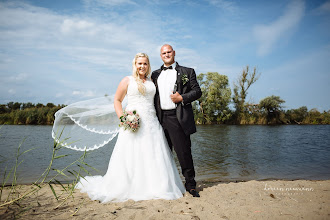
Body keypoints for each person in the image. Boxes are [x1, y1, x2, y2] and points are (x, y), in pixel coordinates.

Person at [75, 53, 185, 202]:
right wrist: (123, 118)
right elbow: (117, 100)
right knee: (131, 155)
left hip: (152, 123)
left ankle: (156, 187)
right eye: (139, 63)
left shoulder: (152, 80)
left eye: (145, 63)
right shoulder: (127, 80)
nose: (142, 66)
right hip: (133, 122)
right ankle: (129, 186)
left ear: (148, 65)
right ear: (135, 64)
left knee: (154, 155)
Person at [151, 44, 202, 197]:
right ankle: (165, 184)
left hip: (178, 117)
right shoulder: (154, 74)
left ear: (174, 53)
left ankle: (191, 185)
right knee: (163, 154)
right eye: (163, 53)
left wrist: (182, 98)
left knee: (184, 153)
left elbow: (197, 91)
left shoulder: (188, 71)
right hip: (159, 119)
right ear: (160, 56)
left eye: (169, 52)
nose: (166, 55)